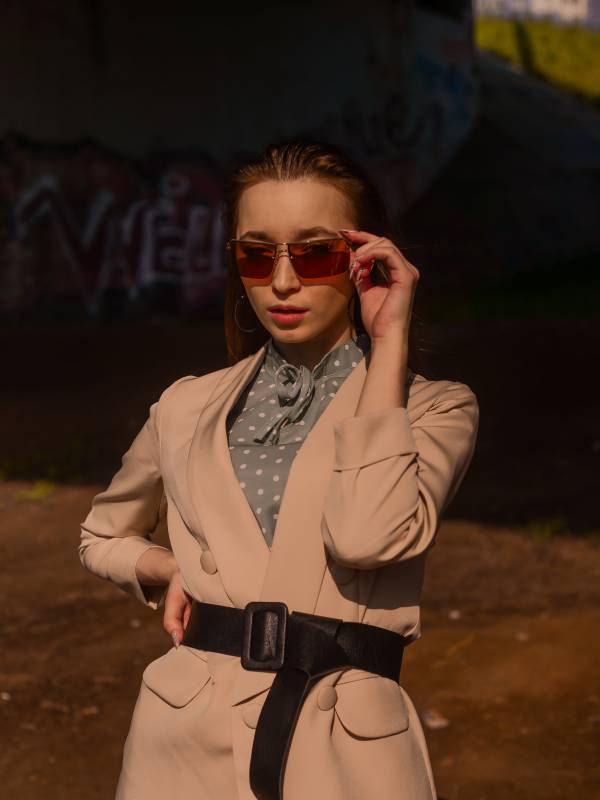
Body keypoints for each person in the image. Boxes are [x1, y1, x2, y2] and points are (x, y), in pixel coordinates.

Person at [79, 138, 479, 800]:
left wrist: (389, 341)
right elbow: (100, 534)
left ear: (366, 258)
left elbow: (368, 538)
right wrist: (167, 568)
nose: (283, 281)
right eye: (257, 255)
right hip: (180, 745)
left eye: (316, 253)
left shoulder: (435, 409)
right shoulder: (184, 406)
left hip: (344, 749)